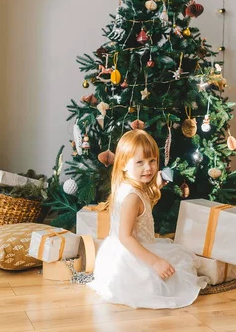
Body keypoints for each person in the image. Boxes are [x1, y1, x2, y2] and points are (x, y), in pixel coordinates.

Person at [88, 129, 207, 309]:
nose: (148, 168)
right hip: (128, 258)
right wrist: (155, 262)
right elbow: (125, 237)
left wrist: (156, 188)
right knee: (175, 276)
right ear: (123, 165)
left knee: (178, 264)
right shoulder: (131, 197)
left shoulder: (131, 186)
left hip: (125, 250)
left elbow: (141, 211)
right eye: (140, 162)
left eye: (152, 160)